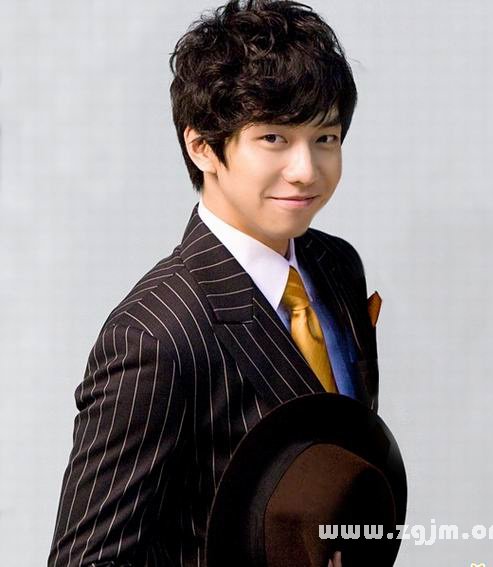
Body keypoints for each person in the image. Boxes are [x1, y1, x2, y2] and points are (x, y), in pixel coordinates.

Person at [47, 1, 380, 565]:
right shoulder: (156, 334)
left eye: (325, 137)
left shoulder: (336, 265)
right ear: (201, 145)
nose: (306, 170)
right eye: (273, 138)